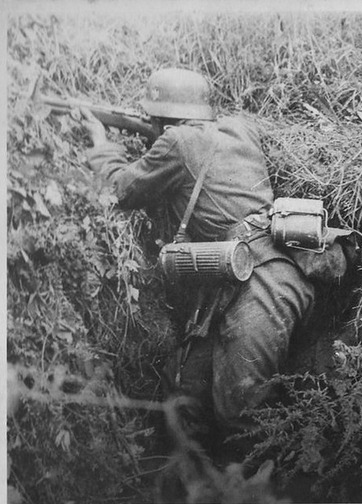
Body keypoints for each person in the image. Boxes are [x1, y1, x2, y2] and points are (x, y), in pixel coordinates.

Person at [80, 68, 315, 435]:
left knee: (242, 411)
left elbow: (120, 190)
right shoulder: (238, 128)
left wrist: (101, 144)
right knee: (186, 394)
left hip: (261, 281)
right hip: (249, 275)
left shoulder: (177, 141)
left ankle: (274, 483)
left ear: (162, 118)